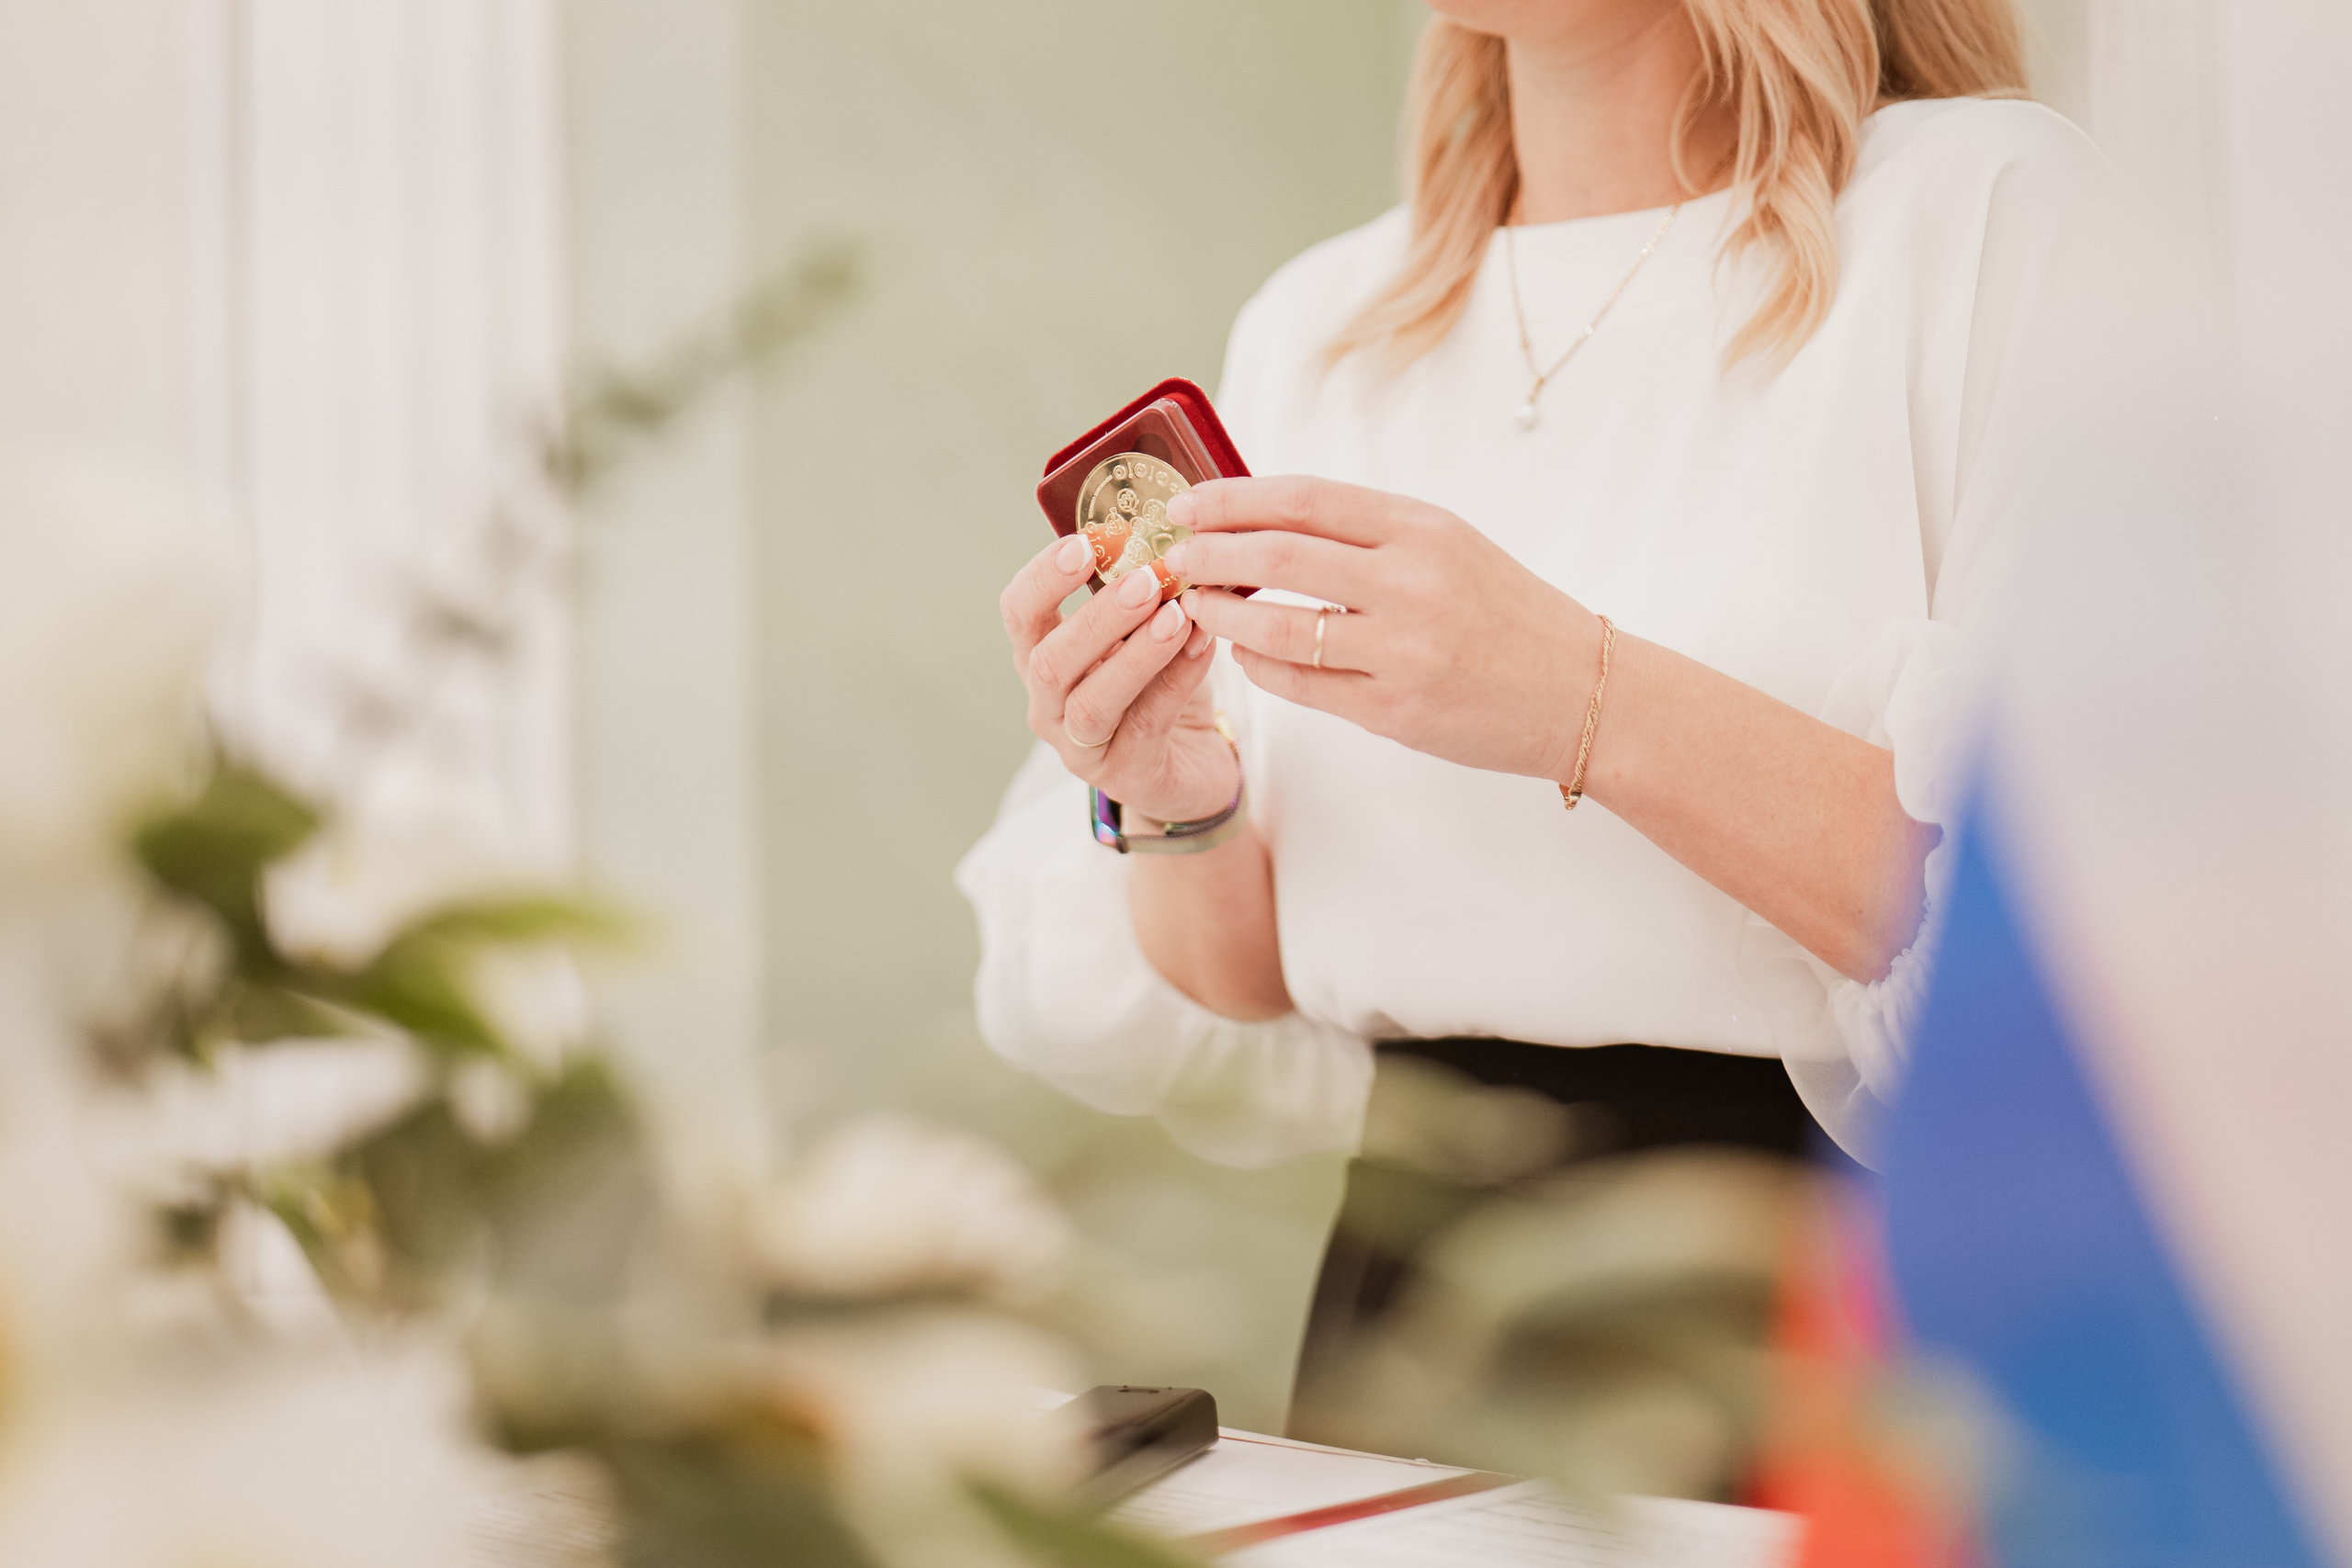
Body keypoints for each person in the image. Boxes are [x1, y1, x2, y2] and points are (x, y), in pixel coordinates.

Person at [958, 0, 2101, 1433]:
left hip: (1816, 1327)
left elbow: (2080, 961)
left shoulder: (1988, 215)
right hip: (1405, 1328)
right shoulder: (1324, 322)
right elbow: (1242, 975)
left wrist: (1568, 691)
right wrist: (1172, 794)